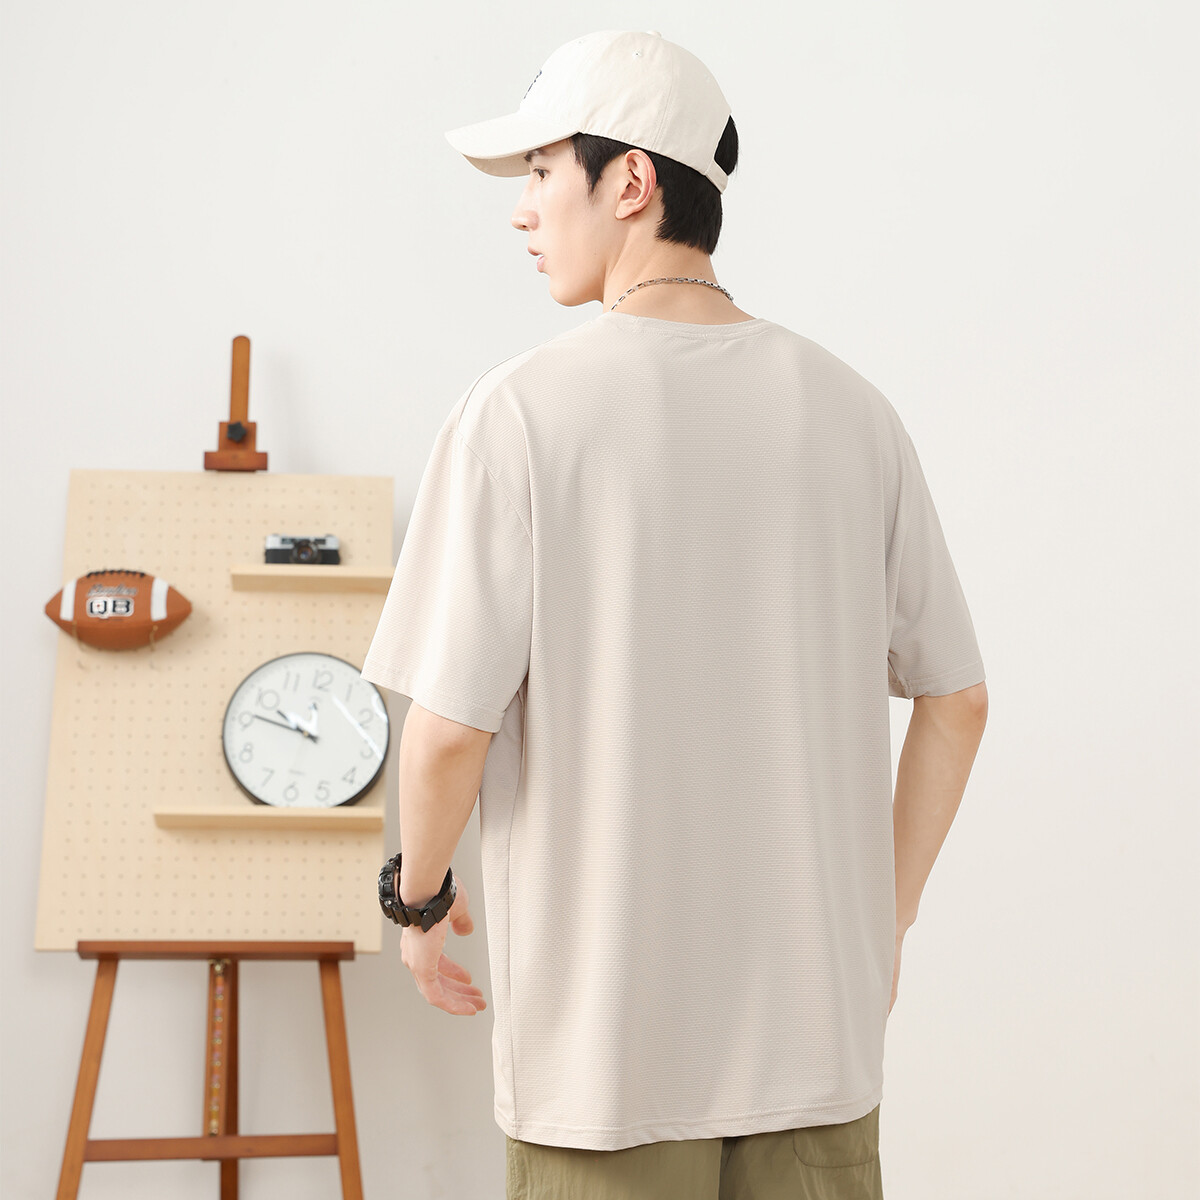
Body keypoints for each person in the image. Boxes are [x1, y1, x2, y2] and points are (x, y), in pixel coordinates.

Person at [360, 28, 988, 1200]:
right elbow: (958, 699)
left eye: (541, 170)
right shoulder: (853, 414)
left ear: (632, 181)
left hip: (607, 1070)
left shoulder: (520, 415)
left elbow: (446, 732)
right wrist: (882, 924)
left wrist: (419, 897)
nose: (523, 210)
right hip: (819, 1050)